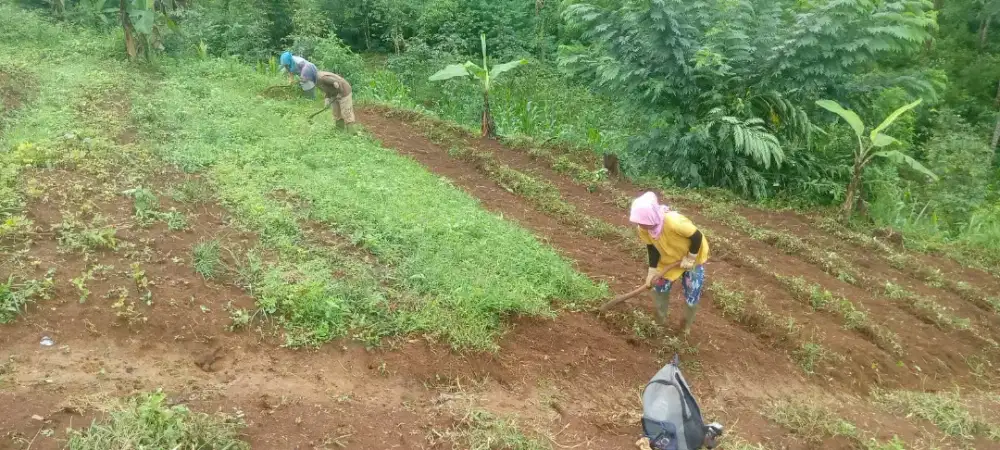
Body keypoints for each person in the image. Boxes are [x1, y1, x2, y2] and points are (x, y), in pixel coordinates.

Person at [629, 192, 709, 334]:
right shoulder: (644, 228)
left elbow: (697, 236)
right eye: (638, 221)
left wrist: (690, 258)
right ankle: (659, 322)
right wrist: (652, 270)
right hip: (669, 259)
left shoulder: (674, 222)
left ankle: (685, 327)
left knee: (692, 293)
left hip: (693, 258)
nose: (640, 224)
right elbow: (652, 247)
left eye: (642, 221)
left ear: (651, 216)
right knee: (659, 288)